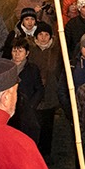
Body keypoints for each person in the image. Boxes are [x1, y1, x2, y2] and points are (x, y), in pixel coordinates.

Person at [26, 25, 64, 158]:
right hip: (34, 95)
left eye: (46, 35)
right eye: (40, 34)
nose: (43, 38)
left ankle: (46, 153)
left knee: (48, 126)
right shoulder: (30, 51)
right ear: (36, 36)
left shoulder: (56, 51)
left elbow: (60, 71)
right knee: (34, 125)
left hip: (50, 94)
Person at [7, 37, 42, 141]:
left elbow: (39, 89)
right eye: (14, 50)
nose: (17, 54)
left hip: (26, 111)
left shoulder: (32, 69)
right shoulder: (6, 69)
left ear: (27, 53)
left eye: (20, 51)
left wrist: (30, 105)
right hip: (9, 111)